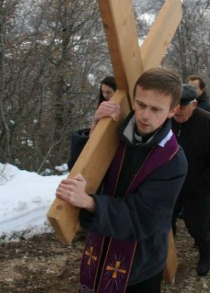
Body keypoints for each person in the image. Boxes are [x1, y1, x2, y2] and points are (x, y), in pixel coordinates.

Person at [56, 68, 187, 293]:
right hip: (100, 247)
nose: (145, 115)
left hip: (140, 263)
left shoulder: (173, 160)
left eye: (156, 109)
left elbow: (142, 218)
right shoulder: (116, 130)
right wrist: (97, 129)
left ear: (172, 111)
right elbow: (85, 174)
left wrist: (90, 203)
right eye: (141, 104)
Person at [171, 85, 210, 276]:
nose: (177, 111)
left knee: (196, 224)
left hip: (199, 186)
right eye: (175, 106)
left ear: (194, 104)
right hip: (170, 184)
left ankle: (205, 253)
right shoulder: (167, 119)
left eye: (183, 106)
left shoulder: (209, 123)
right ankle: (165, 255)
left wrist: (201, 185)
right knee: (164, 220)